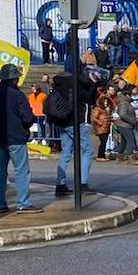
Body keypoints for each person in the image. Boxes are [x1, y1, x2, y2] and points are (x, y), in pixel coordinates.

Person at [0, 64, 41, 214]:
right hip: (16, 138)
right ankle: (23, 203)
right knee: (21, 171)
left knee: (0, 171)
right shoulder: (18, 95)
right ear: (15, 79)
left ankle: (0, 203)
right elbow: (27, 117)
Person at [48, 57, 100, 197]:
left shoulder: (59, 81)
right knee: (88, 151)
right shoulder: (75, 83)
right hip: (76, 121)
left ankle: (60, 184)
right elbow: (89, 99)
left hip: (62, 121)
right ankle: (82, 183)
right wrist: (94, 84)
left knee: (66, 152)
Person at [114, 87, 138, 162]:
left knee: (124, 141)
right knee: (130, 140)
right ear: (127, 95)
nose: (132, 96)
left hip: (124, 125)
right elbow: (122, 115)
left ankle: (119, 156)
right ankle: (130, 157)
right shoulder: (124, 103)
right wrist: (132, 121)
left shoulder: (125, 102)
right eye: (131, 95)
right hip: (125, 125)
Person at [91, 88, 115, 159]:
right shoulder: (98, 109)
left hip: (106, 127)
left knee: (105, 142)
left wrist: (109, 111)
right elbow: (94, 118)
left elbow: (108, 117)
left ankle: (103, 155)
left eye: (107, 102)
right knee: (103, 142)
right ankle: (99, 156)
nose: (106, 103)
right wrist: (100, 122)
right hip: (100, 127)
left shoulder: (106, 109)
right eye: (105, 102)